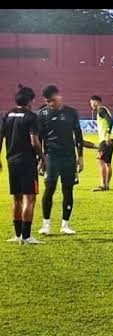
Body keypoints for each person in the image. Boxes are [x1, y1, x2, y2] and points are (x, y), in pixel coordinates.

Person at [1, 85, 45, 244]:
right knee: (30, 198)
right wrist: (43, 158)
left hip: (11, 161)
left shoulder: (7, 115)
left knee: (17, 199)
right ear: (31, 101)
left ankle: (17, 235)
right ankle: (26, 236)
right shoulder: (31, 117)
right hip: (27, 162)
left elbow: (0, 138)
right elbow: (34, 141)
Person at [37, 85, 83, 235]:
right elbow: (39, 138)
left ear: (59, 96)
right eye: (47, 101)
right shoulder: (42, 114)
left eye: (52, 100)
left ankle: (65, 225)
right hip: (51, 157)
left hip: (69, 157)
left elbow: (78, 136)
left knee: (68, 190)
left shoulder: (71, 112)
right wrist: (40, 159)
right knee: (49, 189)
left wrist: (80, 157)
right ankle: (46, 225)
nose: (50, 103)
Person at [89, 95, 113, 191]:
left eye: (91, 102)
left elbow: (110, 121)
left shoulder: (101, 110)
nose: (91, 105)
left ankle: (103, 185)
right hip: (111, 138)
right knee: (108, 163)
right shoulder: (104, 110)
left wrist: (107, 134)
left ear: (96, 102)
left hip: (106, 139)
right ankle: (107, 185)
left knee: (100, 161)